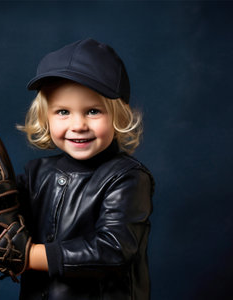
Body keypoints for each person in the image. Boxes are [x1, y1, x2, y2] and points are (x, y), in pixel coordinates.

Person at [16, 38, 154, 300]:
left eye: (92, 111)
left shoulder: (128, 177)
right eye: (63, 112)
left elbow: (112, 250)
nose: (78, 125)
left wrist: (31, 255)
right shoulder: (36, 174)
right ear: (45, 116)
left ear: (119, 115)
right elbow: (5, 221)